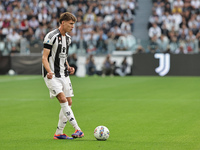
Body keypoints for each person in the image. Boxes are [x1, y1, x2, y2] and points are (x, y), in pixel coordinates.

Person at [42, 12, 84, 140]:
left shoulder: (68, 39)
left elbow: (63, 56)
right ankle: (78, 129)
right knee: (62, 99)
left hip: (64, 74)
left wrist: (68, 66)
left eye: (73, 24)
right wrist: (49, 71)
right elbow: (44, 57)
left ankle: (59, 133)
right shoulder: (51, 36)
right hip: (52, 75)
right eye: (71, 24)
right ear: (63, 22)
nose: (73, 26)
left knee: (69, 102)